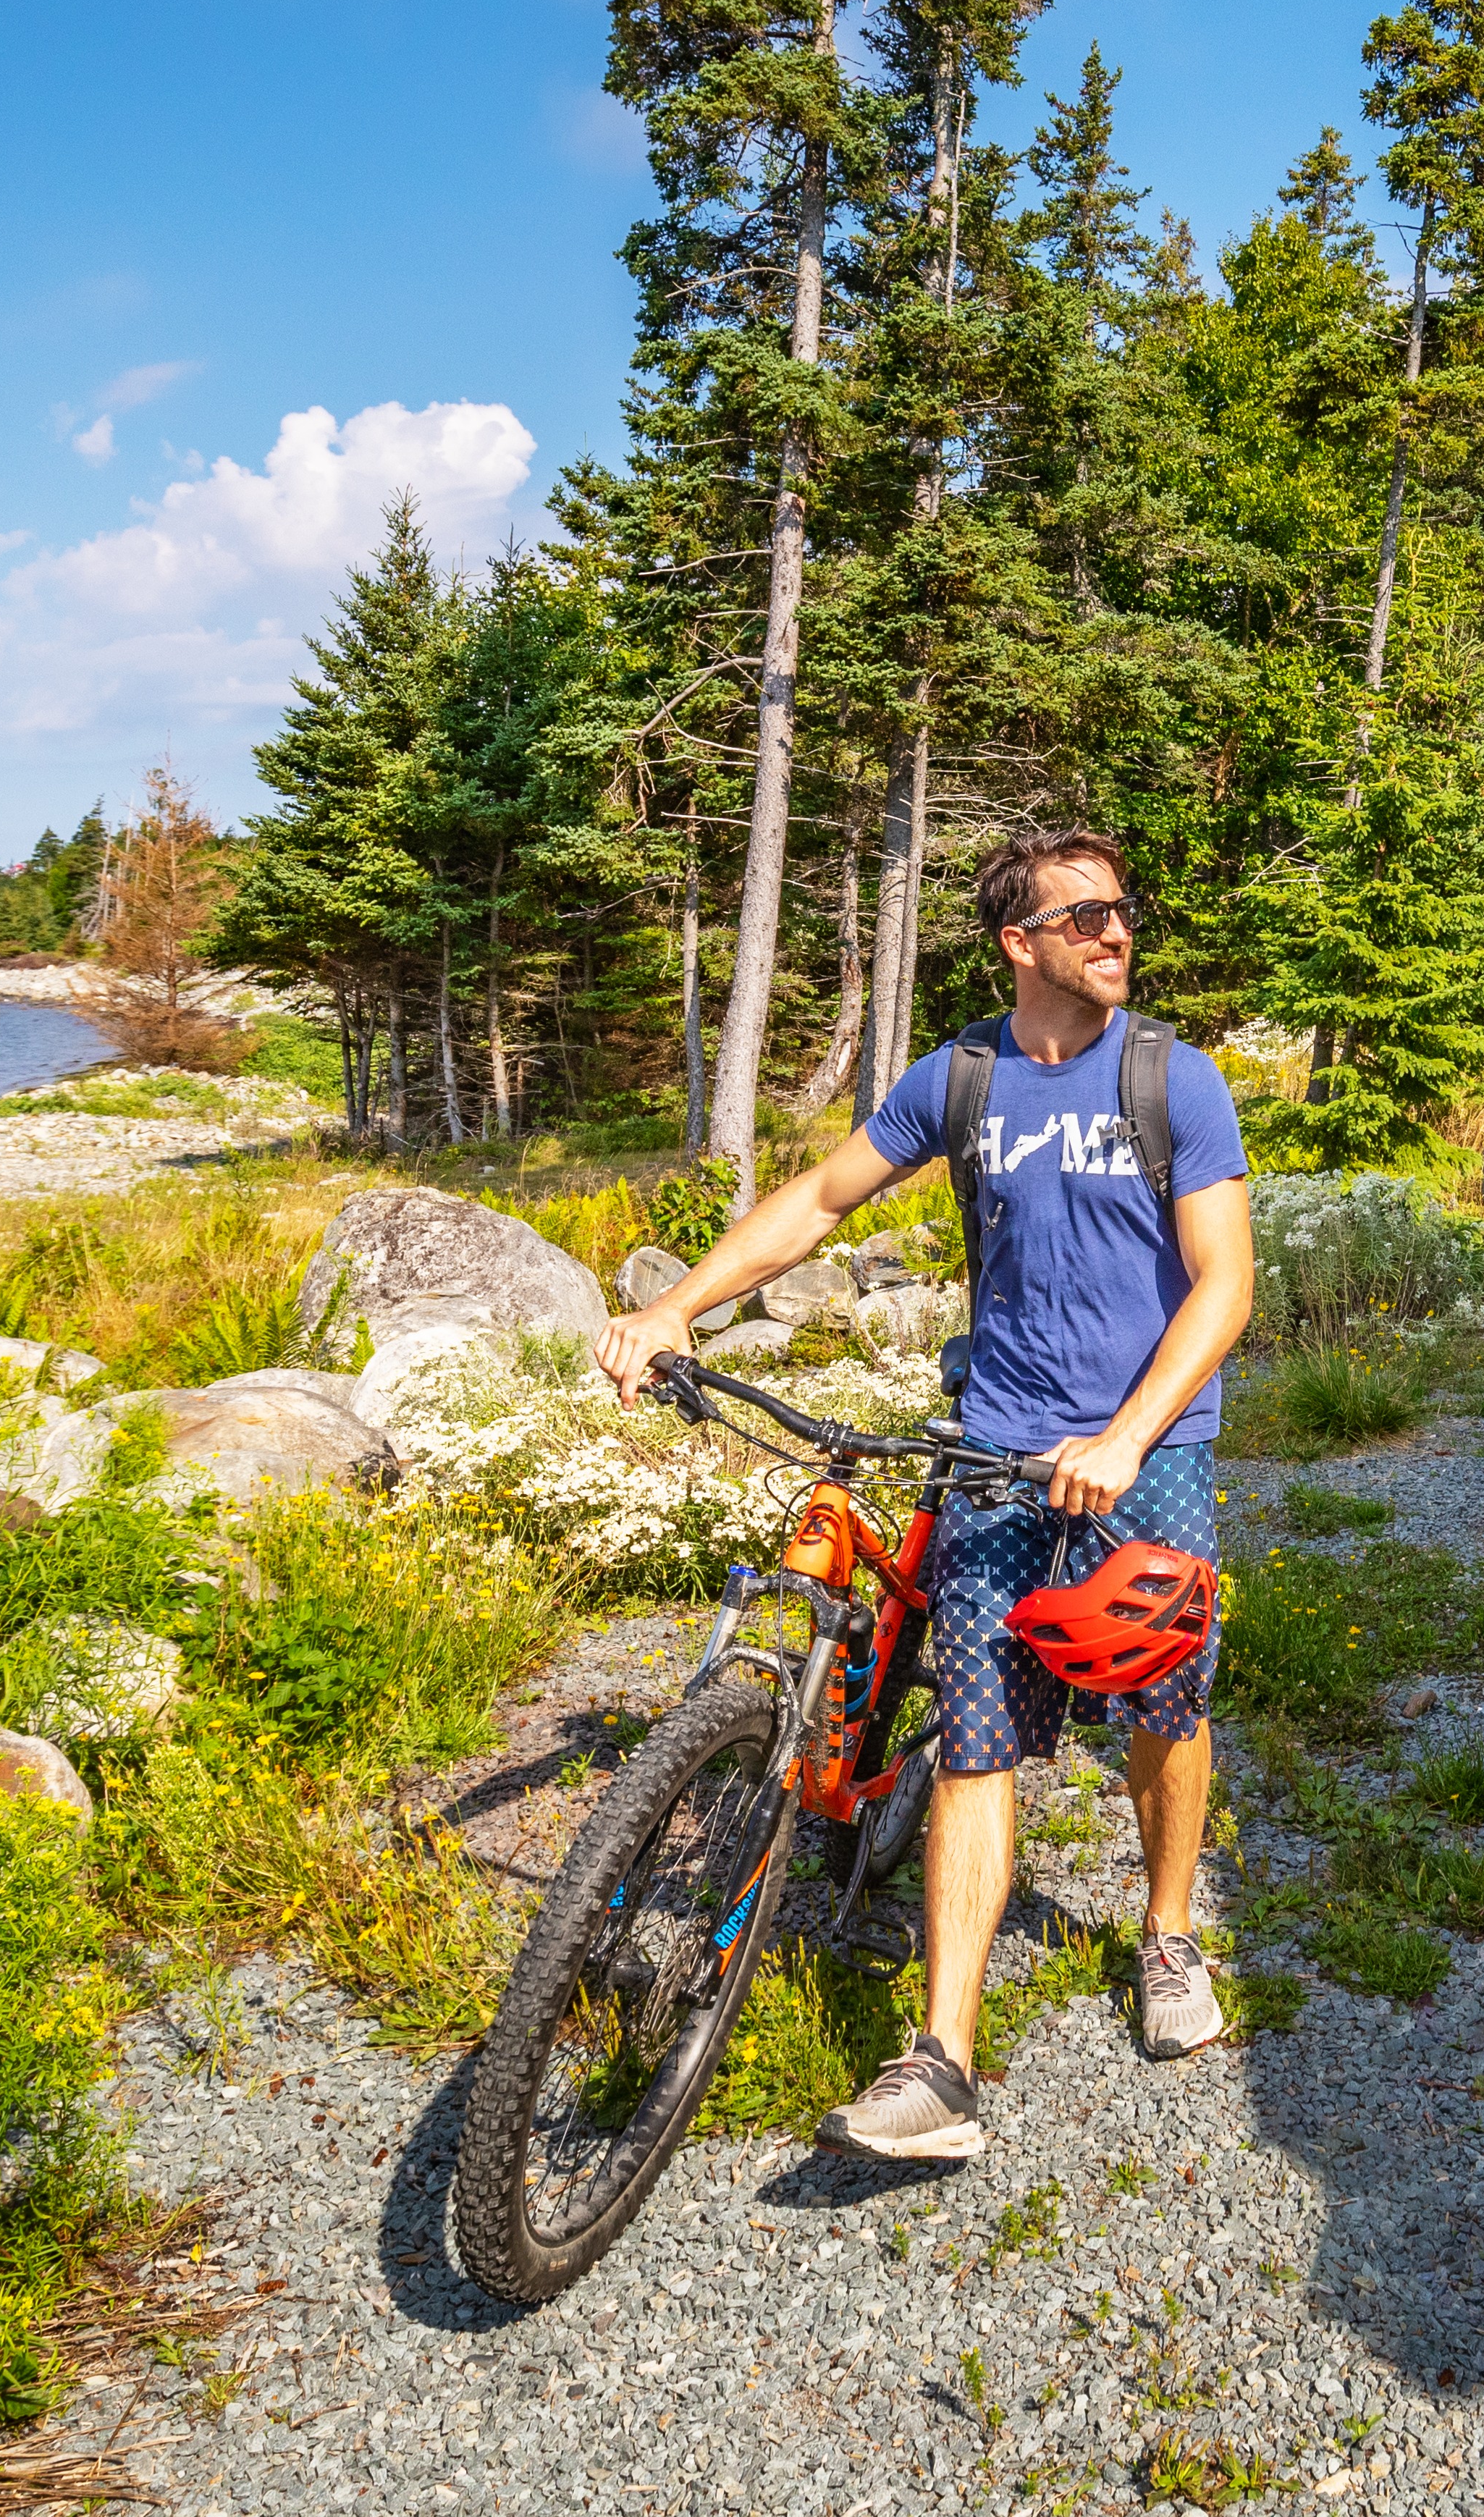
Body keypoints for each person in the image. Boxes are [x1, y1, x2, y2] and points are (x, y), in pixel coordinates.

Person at [592, 827, 1252, 2163]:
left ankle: (1168, 1935)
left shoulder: (1177, 1080)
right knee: (976, 1738)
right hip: (995, 1449)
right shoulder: (961, 1078)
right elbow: (821, 1201)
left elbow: (1226, 1283)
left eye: (1125, 913)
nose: (1119, 935)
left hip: (1151, 1454)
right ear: (1021, 944)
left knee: (1164, 1707)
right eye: (1088, 918)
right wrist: (675, 1307)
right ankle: (944, 2059)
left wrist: (1127, 1435)